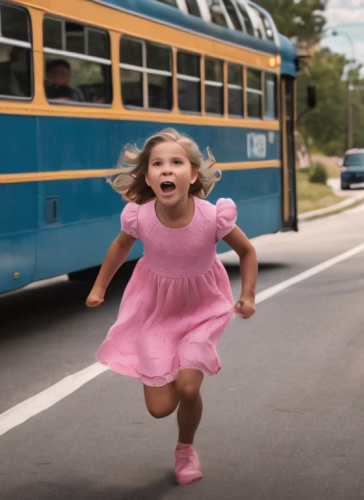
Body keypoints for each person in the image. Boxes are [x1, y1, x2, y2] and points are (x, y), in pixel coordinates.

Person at [86, 128, 257, 485]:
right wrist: (100, 286)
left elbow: (247, 251)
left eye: (176, 162)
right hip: (156, 312)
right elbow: (119, 248)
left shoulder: (213, 217)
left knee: (189, 387)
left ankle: (185, 449)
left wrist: (248, 295)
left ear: (192, 175)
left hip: (203, 310)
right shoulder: (140, 217)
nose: (167, 170)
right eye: (157, 164)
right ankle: (165, 364)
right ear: (147, 177)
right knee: (160, 408)